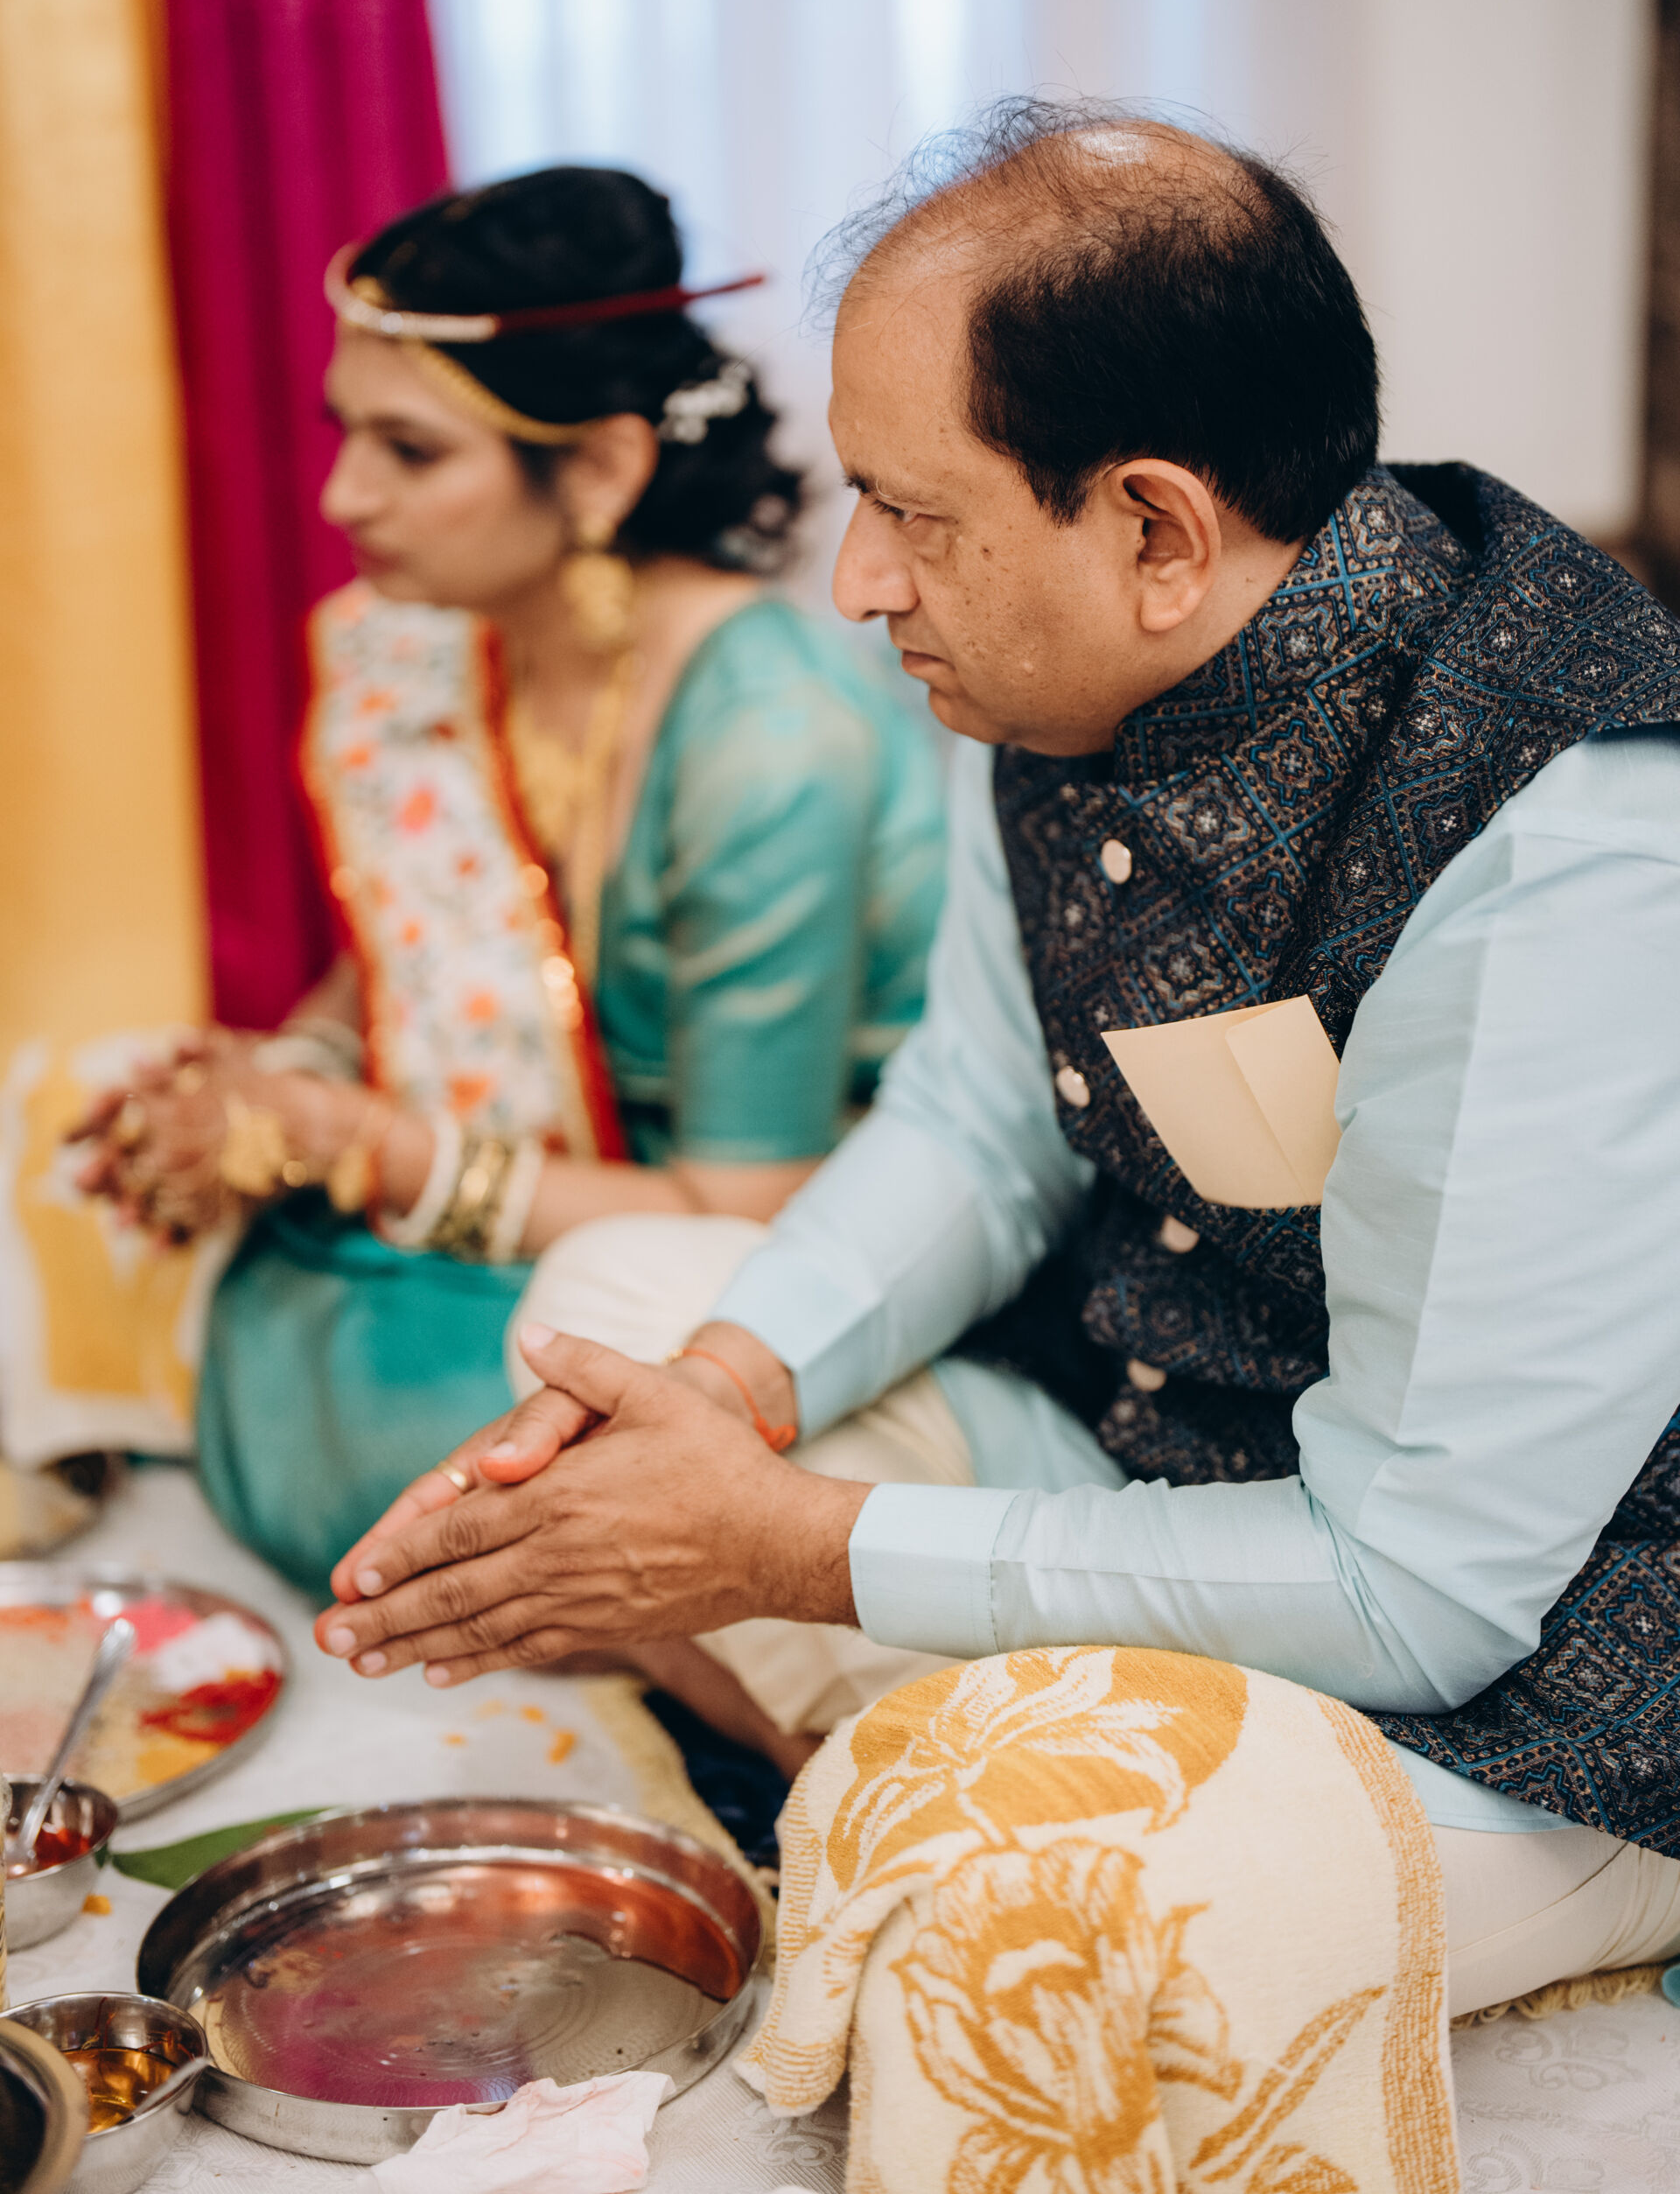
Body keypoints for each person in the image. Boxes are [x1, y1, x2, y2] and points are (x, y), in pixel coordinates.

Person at [313, 107, 1680, 2171]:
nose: (856, 582)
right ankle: (972, 1767)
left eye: (909, 512)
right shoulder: (1056, 676)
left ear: (1155, 533)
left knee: (999, 1906)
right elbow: (976, 1115)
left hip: (1556, 1687)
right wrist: (720, 1403)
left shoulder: (1565, 839)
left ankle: (984, 1808)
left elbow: (1423, 1584)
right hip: (1173, 1450)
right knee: (622, 1324)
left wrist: (783, 1547)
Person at [72, 165, 944, 1601]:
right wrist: (277, 1084)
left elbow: (750, 1205)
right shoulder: (445, 641)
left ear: (596, 470)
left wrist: (361, 1149)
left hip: (741, 1247)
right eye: (346, 434)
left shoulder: (769, 740)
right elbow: (413, 954)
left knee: (450, 1410)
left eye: (410, 452)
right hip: (535, 1185)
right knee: (81, 1138)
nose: (343, 496)